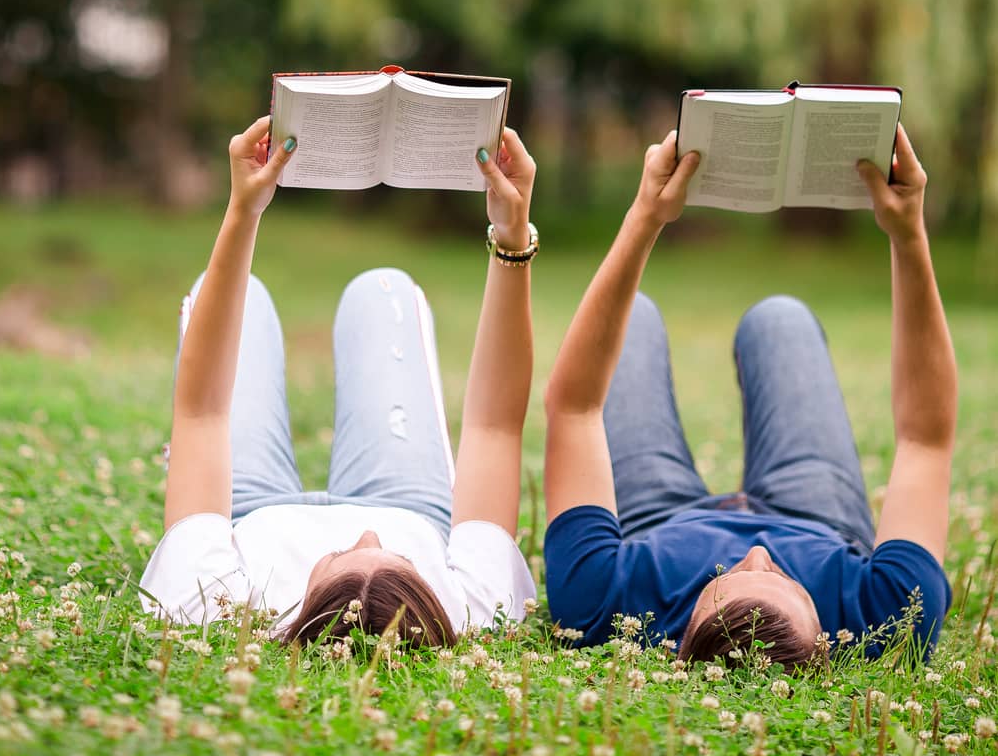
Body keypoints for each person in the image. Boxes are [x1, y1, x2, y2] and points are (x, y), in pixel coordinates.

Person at [542, 122, 956, 668]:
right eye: (784, 577)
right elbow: (926, 437)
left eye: (730, 575)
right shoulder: (891, 618)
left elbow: (575, 407)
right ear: (828, 638)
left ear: (680, 634)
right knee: (781, 320)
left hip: (656, 521)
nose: (757, 551)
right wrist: (908, 236)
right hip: (816, 517)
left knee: (630, 318)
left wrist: (645, 216)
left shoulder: (603, 605)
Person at [139, 114, 539, 645]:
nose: (362, 533)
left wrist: (243, 211)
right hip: (408, 507)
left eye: (339, 556)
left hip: (247, 515)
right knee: (384, 292)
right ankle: (377, 558)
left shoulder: (210, 602)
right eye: (396, 558)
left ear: (300, 607)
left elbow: (202, 412)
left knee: (244, 299)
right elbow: (494, 427)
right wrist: (512, 234)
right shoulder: (468, 606)